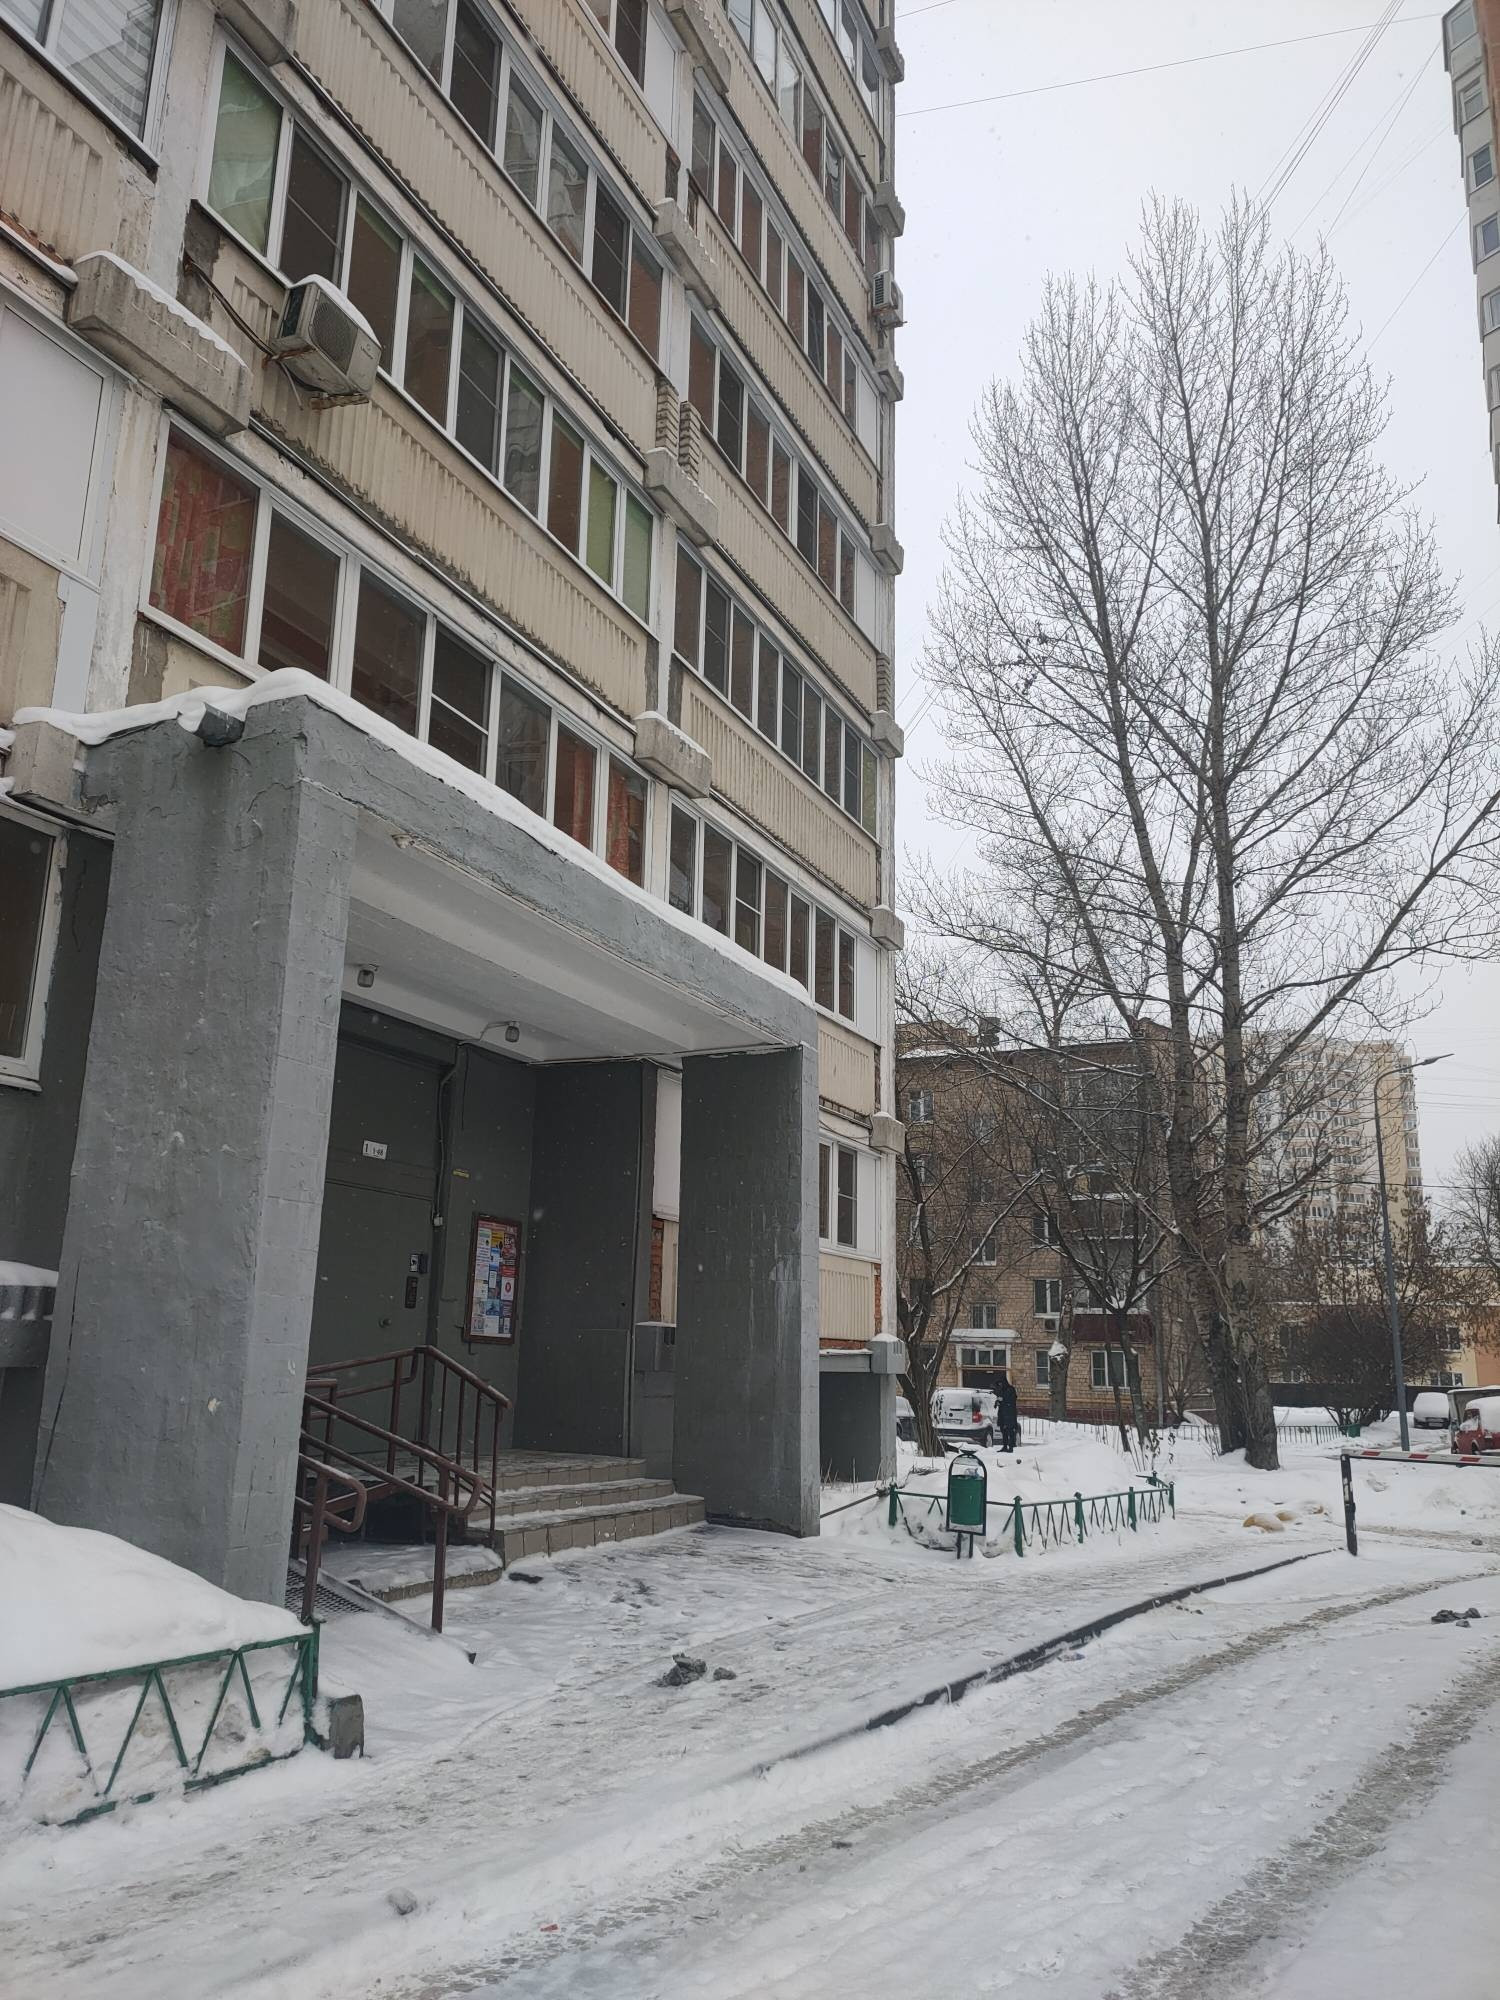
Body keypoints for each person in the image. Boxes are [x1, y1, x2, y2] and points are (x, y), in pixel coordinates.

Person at [996, 1371, 1019, 1452]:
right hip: (1002, 1413)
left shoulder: (1011, 1389)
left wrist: (1003, 1400)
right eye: (999, 1384)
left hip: (1010, 1413)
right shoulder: (1000, 1390)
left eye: (1001, 1383)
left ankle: (1011, 1446)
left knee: (1010, 1430)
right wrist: (998, 1402)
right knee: (1003, 1430)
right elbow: (999, 1399)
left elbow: (1013, 1400)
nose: (1000, 1385)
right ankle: (1005, 1446)